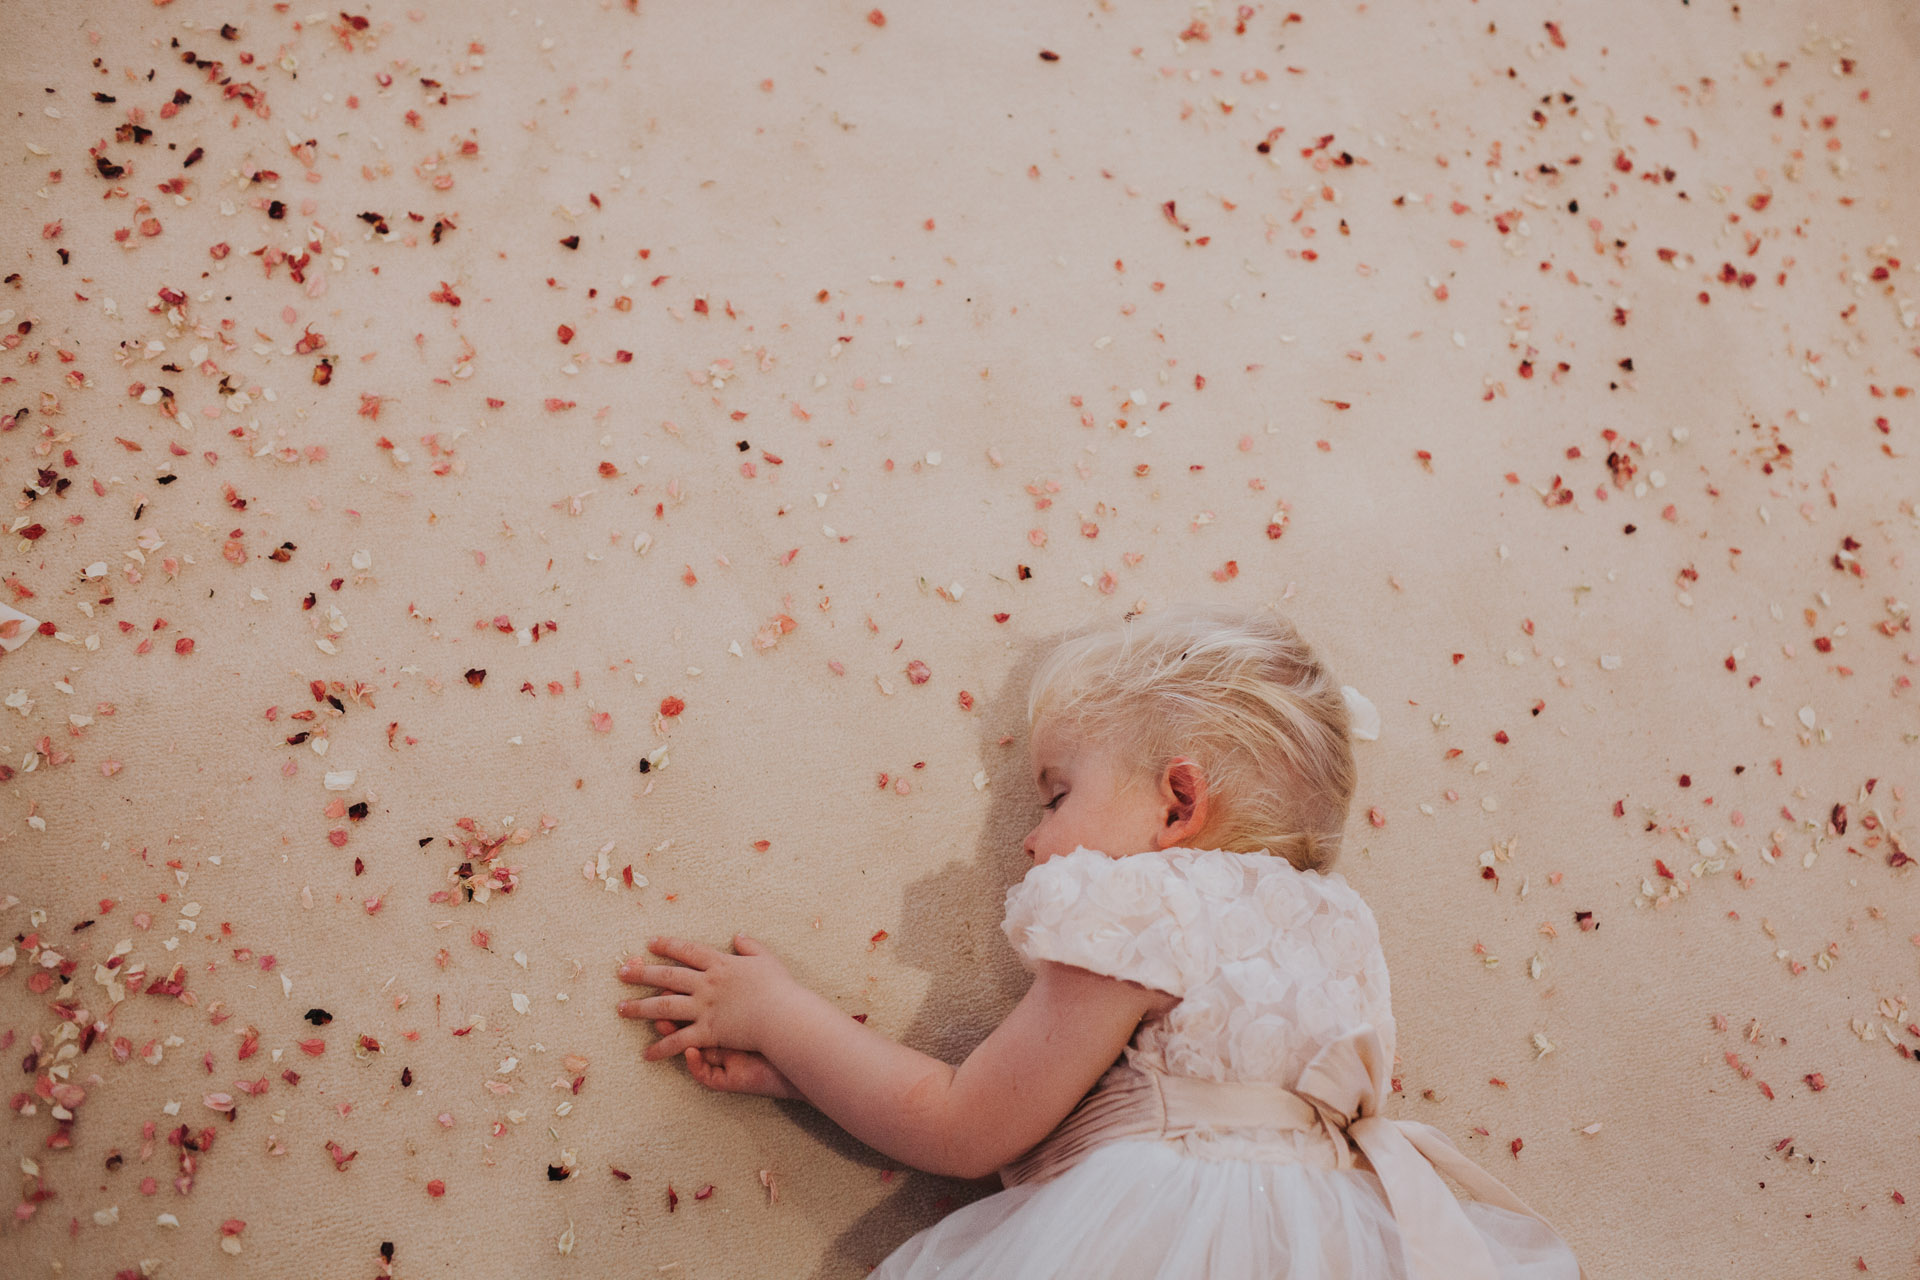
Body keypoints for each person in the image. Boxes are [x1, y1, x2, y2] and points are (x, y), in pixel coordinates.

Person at [616, 602, 1585, 1278]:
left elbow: (966, 1120)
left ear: (1176, 802)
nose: (1033, 838)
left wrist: (785, 1019)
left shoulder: (1143, 907)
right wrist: (814, 1082)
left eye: (1056, 793)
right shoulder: (1340, 926)